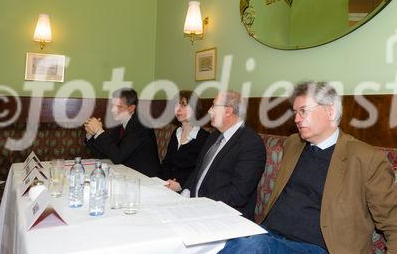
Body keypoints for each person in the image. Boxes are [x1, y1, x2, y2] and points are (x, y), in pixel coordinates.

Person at [220, 81, 397, 254]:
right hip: (270, 235)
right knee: (226, 237)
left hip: (317, 247)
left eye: (303, 111)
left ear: (330, 111)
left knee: (255, 248)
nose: (296, 119)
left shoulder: (365, 158)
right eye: (295, 113)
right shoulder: (293, 144)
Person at [168, 90, 266, 220]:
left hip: (225, 217)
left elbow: (237, 194)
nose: (209, 111)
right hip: (195, 208)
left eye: (214, 106)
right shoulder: (214, 136)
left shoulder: (250, 144)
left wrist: (198, 203)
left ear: (228, 111)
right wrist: (185, 195)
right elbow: (198, 171)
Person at [84, 88, 160, 177]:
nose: (113, 110)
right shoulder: (120, 123)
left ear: (131, 108)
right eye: (113, 106)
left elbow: (117, 157)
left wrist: (99, 131)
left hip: (145, 177)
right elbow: (106, 154)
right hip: (127, 173)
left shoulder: (140, 125)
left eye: (119, 107)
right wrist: (92, 134)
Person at [160, 90, 209, 189]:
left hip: (187, 189)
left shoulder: (203, 137)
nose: (178, 109)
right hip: (166, 185)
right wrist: (165, 181)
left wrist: (181, 185)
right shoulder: (176, 132)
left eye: (183, 105)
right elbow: (166, 163)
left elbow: (200, 171)